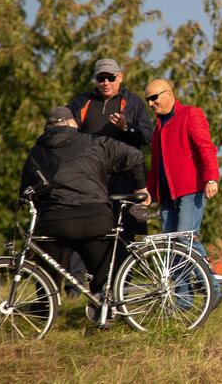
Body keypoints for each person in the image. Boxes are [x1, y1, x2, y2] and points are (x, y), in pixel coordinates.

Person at [19, 107, 148, 295]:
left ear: (48, 127)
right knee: (103, 275)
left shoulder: (37, 152)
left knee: (48, 265)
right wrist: (140, 187)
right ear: (72, 123)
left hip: (57, 220)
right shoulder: (93, 142)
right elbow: (136, 156)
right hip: (95, 217)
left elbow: (26, 191)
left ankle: (45, 307)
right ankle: (104, 305)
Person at [63, 58, 154, 297]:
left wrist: (126, 127)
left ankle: (121, 288)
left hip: (127, 181)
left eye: (110, 78)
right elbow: (63, 132)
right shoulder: (81, 102)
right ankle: (75, 290)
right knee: (82, 231)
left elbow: (147, 137)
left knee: (126, 234)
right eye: (100, 78)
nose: (105, 83)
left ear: (120, 77)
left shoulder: (133, 102)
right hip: (89, 180)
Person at [144, 78, 222, 305]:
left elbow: (206, 147)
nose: (151, 103)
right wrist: (150, 192)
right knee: (171, 247)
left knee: (183, 240)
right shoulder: (158, 127)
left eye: (154, 98)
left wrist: (211, 178)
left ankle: (213, 290)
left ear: (168, 93)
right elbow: (156, 165)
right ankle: (183, 299)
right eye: (148, 99)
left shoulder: (190, 114)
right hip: (167, 194)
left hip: (190, 189)